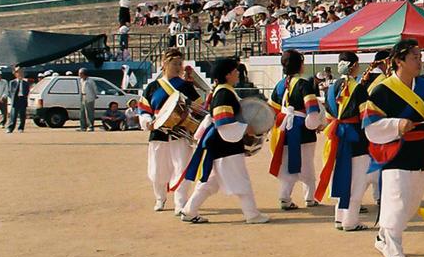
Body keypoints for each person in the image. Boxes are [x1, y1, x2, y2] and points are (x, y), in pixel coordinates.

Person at [363, 40, 424, 257]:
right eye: (415, 57)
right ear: (398, 61)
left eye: (420, 56)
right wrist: (396, 125)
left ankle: (382, 237)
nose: (419, 61)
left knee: (411, 204)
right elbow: (371, 127)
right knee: (397, 201)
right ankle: (394, 254)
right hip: (395, 152)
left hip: (421, 150)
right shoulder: (381, 90)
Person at [178, 57, 272, 224]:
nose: (238, 74)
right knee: (241, 181)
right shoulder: (224, 94)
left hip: (220, 144)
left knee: (211, 182)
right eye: (235, 71)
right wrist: (246, 129)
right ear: (228, 74)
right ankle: (252, 215)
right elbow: (223, 122)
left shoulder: (223, 91)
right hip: (227, 145)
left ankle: (189, 211)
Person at [317, 51, 377, 232]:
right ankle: (350, 221)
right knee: (357, 182)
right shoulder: (358, 89)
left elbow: (328, 116)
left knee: (341, 176)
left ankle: (339, 217)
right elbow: (366, 118)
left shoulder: (331, 88)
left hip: (336, 137)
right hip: (356, 140)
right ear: (354, 66)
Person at [137, 48, 201, 214]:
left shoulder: (186, 86)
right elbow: (144, 110)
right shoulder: (152, 87)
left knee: (182, 166)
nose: (178, 67)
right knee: (157, 168)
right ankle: (160, 197)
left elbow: (199, 107)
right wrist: (147, 121)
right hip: (159, 132)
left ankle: (180, 202)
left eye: (180, 64)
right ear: (164, 64)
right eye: (174, 64)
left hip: (181, 131)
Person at [268, 50, 323, 210]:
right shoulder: (304, 84)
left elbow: (272, 109)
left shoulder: (280, 84)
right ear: (300, 65)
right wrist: (315, 125)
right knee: (307, 164)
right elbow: (312, 111)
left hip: (285, 129)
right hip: (303, 131)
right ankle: (310, 198)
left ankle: (284, 197)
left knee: (287, 164)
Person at [6, 66, 29, 133]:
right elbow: (9, 92)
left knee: (22, 115)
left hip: (22, 99)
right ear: (16, 74)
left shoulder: (25, 83)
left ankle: (21, 128)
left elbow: (27, 92)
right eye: (19, 72)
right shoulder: (12, 82)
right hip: (15, 99)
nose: (20, 74)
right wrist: (13, 98)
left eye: (21, 73)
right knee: (13, 115)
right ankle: (10, 128)